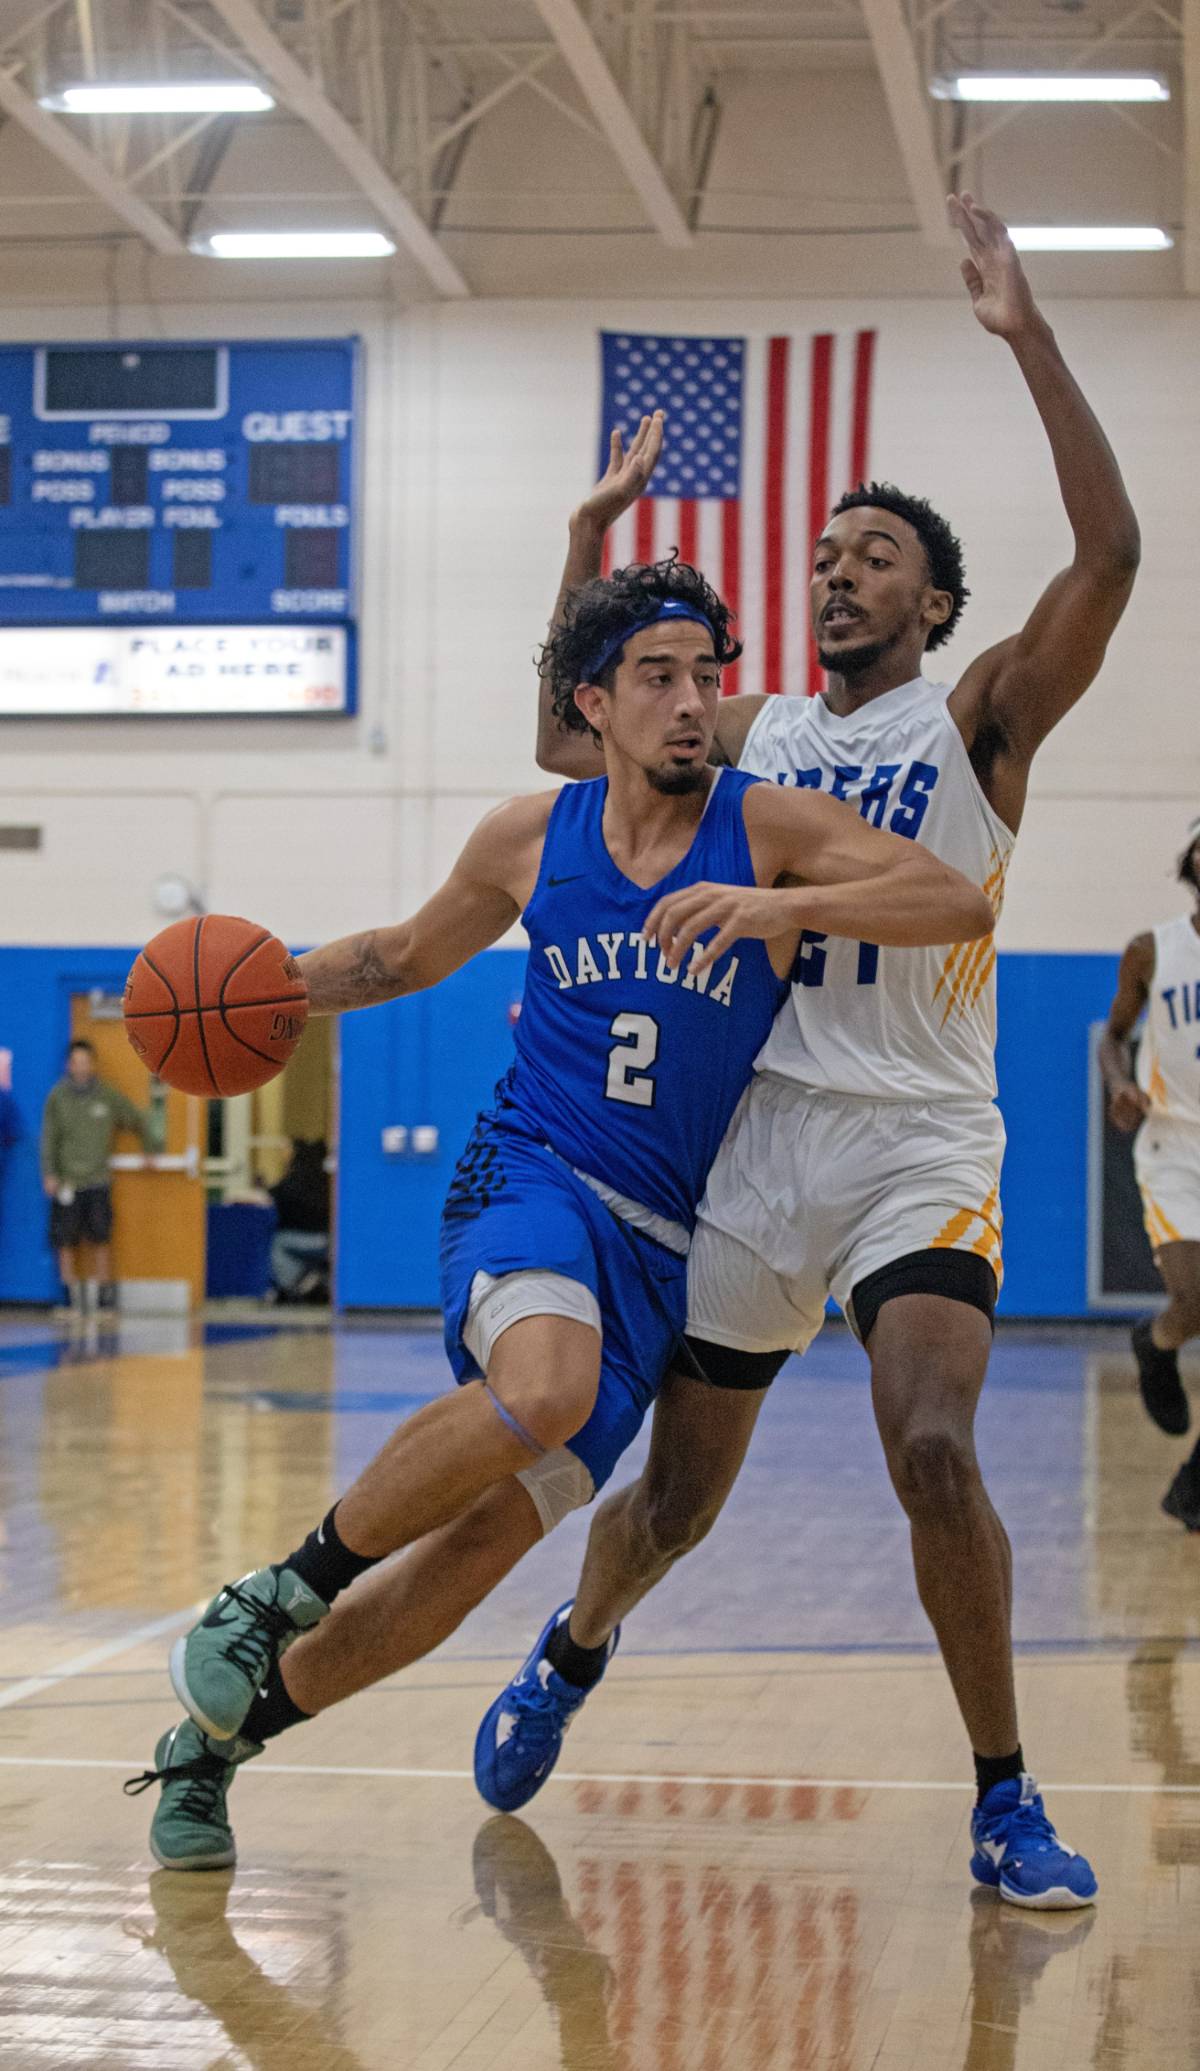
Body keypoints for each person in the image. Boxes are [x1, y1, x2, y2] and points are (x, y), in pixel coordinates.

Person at [127, 557, 990, 1870]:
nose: (695, 699)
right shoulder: (531, 837)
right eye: (660, 676)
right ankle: (275, 1589)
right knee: (542, 1380)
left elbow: (957, 897)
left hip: (657, 1254)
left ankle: (219, 1741)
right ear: (593, 701)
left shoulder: (769, 825)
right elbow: (399, 957)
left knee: (473, 1553)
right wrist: (250, 996)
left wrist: (787, 905)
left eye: (708, 674)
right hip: (531, 1174)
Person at [486, 192, 1139, 1911]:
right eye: (826, 552)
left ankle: (1003, 1793)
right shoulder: (749, 732)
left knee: (931, 1445)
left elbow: (1116, 561)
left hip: (921, 1138)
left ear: (932, 598)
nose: (838, 566)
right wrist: (585, 542)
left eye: (875, 553)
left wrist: (1034, 340)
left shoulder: (979, 710)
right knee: (679, 1502)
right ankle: (570, 1650)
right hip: (760, 1142)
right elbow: (568, 729)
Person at [1101, 818, 1200, 1526]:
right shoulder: (1153, 949)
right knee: (1196, 1297)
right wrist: (1120, 1086)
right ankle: (1157, 1338)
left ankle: (1193, 1487)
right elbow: (1114, 1038)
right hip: (1174, 1144)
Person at [40, 1039, 163, 1315]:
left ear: (92, 1064)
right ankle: (70, 1300)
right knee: (66, 1241)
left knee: (100, 1239)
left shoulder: (107, 1096)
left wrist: (150, 1149)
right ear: (69, 1065)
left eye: (86, 1062)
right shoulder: (57, 1097)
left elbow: (137, 1119)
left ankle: (103, 1300)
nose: (81, 1067)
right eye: (76, 1062)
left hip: (98, 1181)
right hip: (68, 1181)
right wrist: (49, 1173)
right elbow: (49, 1138)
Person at [267, 1137, 331, 1303]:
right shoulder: (330, 1181)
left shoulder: (293, 1181)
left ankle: (290, 1288)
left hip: (313, 1241)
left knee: (278, 1242)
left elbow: (275, 1195)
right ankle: (311, 1283)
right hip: (329, 1240)